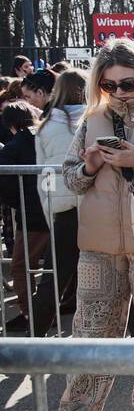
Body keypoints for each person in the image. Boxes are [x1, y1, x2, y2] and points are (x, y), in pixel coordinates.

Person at [48, 40, 134, 411]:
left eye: (128, 82)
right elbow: (68, 178)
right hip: (97, 248)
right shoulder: (90, 120)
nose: (119, 91)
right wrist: (89, 167)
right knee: (90, 339)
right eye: (109, 83)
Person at [31, 68, 87, 332]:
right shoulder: (96, 120)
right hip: (94, 207)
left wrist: (50, 211)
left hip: (63, 210)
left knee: (53, 279)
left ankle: (34, 340)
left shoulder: (45, 128)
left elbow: (43, 177)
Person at [0, 101, 49, 333]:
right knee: (61, 267)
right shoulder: (48, 131)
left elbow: (5, 183)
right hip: (62, 211)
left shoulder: (15, 145)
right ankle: (48, 311)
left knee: (21, 267)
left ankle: (33, 315)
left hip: (33, 217)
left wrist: (17, 203)